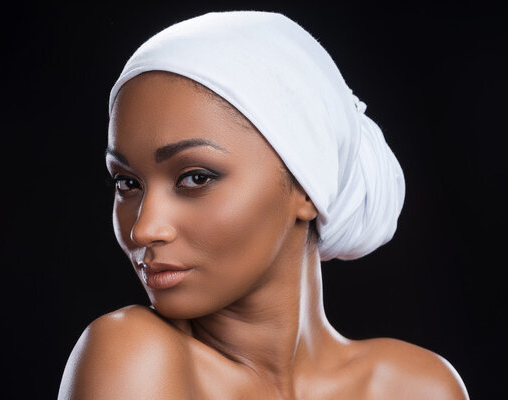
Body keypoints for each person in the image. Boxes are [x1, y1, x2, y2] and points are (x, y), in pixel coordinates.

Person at [58, 11, 469, 399]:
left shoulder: (419, 387)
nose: (144, 229)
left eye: (195, 178)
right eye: (127, 183)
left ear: (307, 187)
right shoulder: (133, 354)